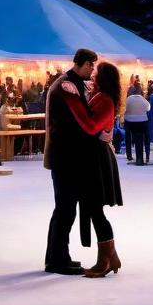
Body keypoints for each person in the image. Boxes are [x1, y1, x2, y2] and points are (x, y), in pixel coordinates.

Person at [55, 60, 124, 277]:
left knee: (95, 209)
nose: (93, 76)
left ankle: (105, 260)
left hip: (97, 160)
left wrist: (73, 100)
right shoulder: (100, 96)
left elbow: (91, 126)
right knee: (93, 208)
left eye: (97, 73)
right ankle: (110, 257)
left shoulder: (105, 100)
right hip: (92, 159)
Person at [43, 48, 98, 274]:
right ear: (82, 64)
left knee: (63, 209)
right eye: (91, 66)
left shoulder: (69, 83)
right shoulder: (67, 86)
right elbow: (80, 121)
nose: (92, 70)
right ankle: (58, 260)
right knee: (65, 210)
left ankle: (56, 256)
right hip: (66, 157)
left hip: (65, 156)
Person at [123, 84, 151, 165]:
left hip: (129, 121)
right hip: (142, 121)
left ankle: (129, 155)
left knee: (128, 137)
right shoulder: (143, 99)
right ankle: (145, 156)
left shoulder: (128, 99)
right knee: (143, 138)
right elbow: (148, 108)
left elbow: (125, 108)